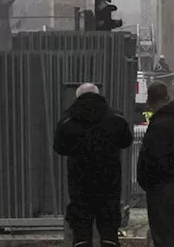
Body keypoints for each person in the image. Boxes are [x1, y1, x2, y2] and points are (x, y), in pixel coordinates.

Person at [53, 83, 134, 246]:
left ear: (77, 98)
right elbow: (126, 141)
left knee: (81, 229)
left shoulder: (67, 121)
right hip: (109, 183)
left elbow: (59, 148)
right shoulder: (116, 118)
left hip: (79, 183)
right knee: (109, 229)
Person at [137, 81, 174, 247]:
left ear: (150, 101)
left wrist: (146, 180)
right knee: (169, 233)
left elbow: (153, 156)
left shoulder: (161, 124)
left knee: (163, 236)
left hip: (160, 187)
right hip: (173, 185)